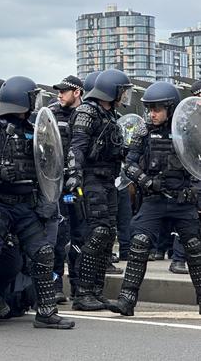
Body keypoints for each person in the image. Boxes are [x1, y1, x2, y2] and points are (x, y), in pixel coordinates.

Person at [0, 76, 74, 331]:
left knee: (43, 253)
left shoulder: (35, 129)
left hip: (26, 204)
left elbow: (49, 162)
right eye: (32, 96)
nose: (36, 101)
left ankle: (46, 312)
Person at [107, 81, 201, 316]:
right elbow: (128, 165)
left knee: (195, 249)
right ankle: (127, 300)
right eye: (149, 109)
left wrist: (195, 190)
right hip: (154, 200)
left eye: (157, 109)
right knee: (138, 244)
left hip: (182, 200)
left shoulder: (189, 130)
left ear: (170, 107)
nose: (152, 114)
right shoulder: (144, 131)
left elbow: (199, 164)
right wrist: (146, 181)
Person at [65, 69, 133, 311]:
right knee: (97, 233)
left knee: (108, 234)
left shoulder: (110, 115)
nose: (124, 96)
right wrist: (75, 176)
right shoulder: (87, 111)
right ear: (110, 90)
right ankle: (82, 293)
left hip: (108, 180)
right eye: (122, 91)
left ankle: (96, 290)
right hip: (92, 180)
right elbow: (77, 148)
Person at [50, 75, 85, 303]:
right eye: (58, 91)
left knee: (80, 235)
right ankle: (55, 286)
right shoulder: (51, 114)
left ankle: (79, 286)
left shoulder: (87, 115)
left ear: (78, 92)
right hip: (57, 184)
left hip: (80, 186)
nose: (60, 95)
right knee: (58, 236)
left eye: (64, 91)